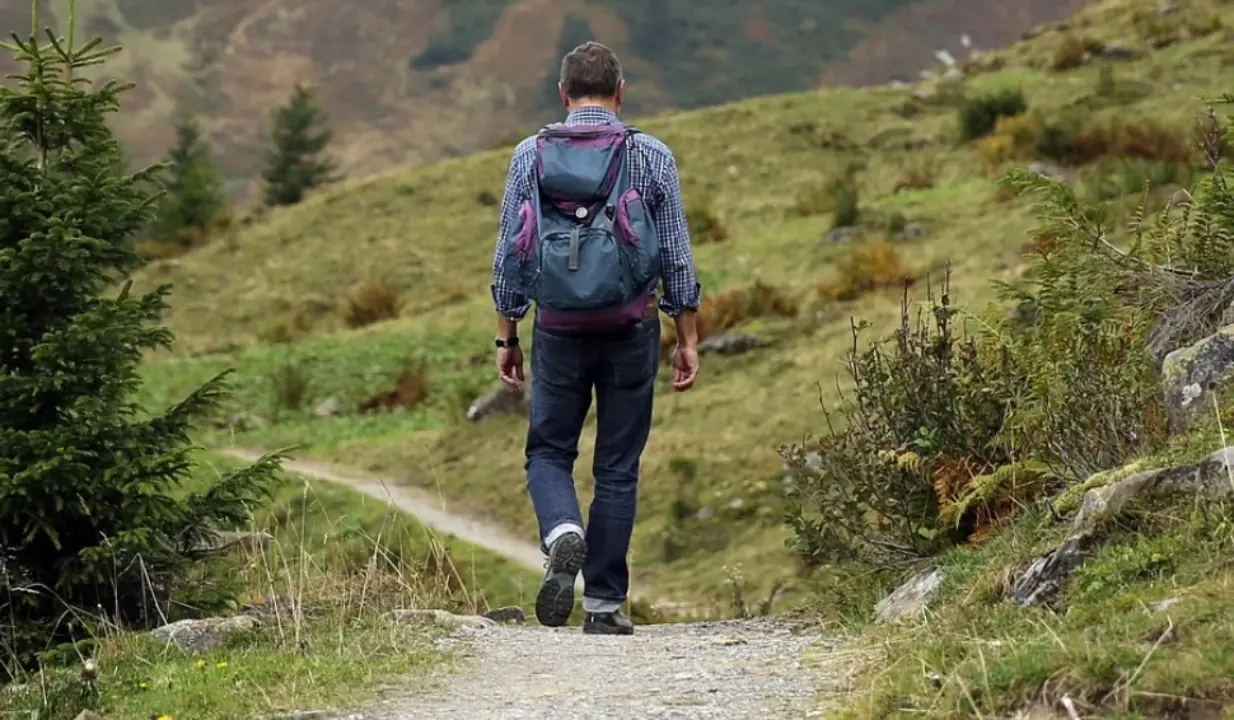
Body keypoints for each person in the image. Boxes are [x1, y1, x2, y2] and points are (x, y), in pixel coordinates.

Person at [489, 41, 701, 635]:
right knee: (617, 465)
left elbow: (510, 252)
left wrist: (507, 335)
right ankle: (604, 605)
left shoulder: (529, 155)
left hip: (556, 328)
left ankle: (562, 531)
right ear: (620, 92)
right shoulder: (651, 155)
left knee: (549, 451)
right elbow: (678, 256)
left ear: (563, 94)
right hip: (631, 326)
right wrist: (686, 335)